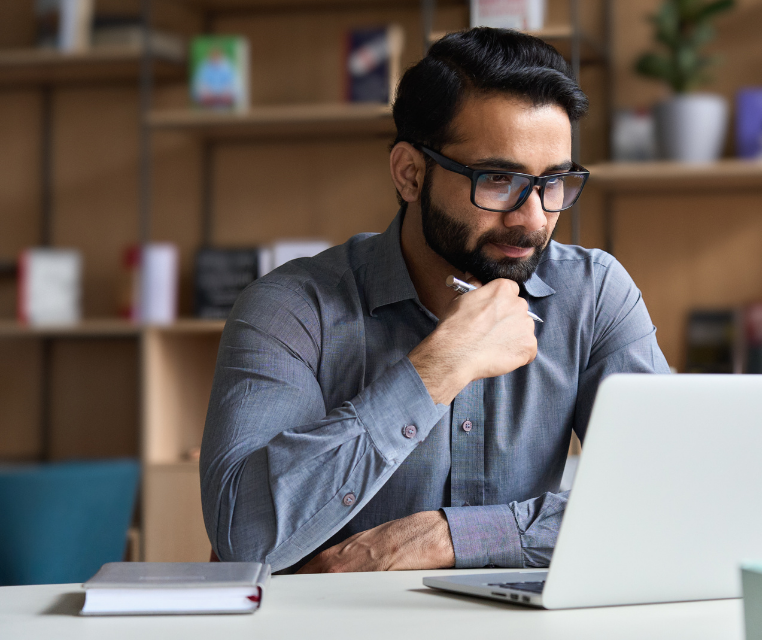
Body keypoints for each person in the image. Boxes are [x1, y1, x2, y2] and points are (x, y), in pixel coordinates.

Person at [200, 27, 670, 574]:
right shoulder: (290, 309)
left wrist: (446, 537)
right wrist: (437, 368)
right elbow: (244, 537)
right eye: (498, 179)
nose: (535, 218)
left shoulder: (593, 295)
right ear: (409, 174)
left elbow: (671, 498)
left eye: (554, 182)